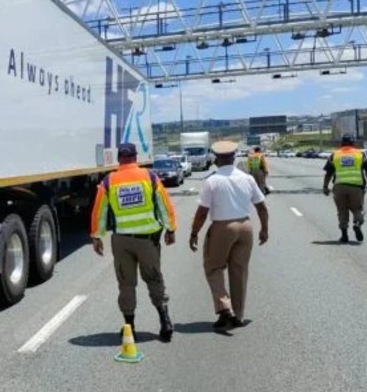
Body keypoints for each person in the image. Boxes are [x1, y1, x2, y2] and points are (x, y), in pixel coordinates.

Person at [90, 143, 177, 343]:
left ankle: (130, 328)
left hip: (122, 240)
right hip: (148, 239)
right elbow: (164, 205)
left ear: (119, 158)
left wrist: (96, 235)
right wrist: (170, 229)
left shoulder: (109, 181)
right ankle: (165, 322)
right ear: (136, 157)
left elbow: (99, 211)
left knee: (126, 283)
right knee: (154, 278)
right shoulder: (150, 177)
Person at [189, 141, 269, 331]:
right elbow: (261, 206)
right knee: (239, 271)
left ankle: (225, 308)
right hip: (245, 226)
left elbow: (202, 212)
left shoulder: (212, 180)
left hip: (223, 227)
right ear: (234, 157)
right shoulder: (247, 178)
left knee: (213, 267)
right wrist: (264, 229)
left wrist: (194, 233)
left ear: (216, 159)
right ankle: (238, 316)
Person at [322, 135, 367, 243]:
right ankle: (357, 224)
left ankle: (344, 235)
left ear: (342, 143)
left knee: (342, 211)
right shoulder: (360, 154)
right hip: (356, 187)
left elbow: (328, 173)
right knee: (357, 209)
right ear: (353, 143)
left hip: (339, 187)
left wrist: (325, 187)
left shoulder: (334, 155)